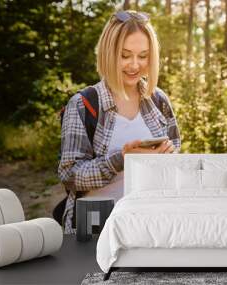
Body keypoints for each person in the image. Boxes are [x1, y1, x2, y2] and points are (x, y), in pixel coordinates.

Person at [58, 10, 181, 234]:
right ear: (109, 52)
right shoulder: (83, 104)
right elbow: (70, 176)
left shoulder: (159, 100)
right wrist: (121, 160)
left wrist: (168, 157)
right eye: (125, 55)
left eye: (143, 56)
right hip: (95, 227)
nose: (135, 65)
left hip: (148, 225)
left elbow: (176, 154)